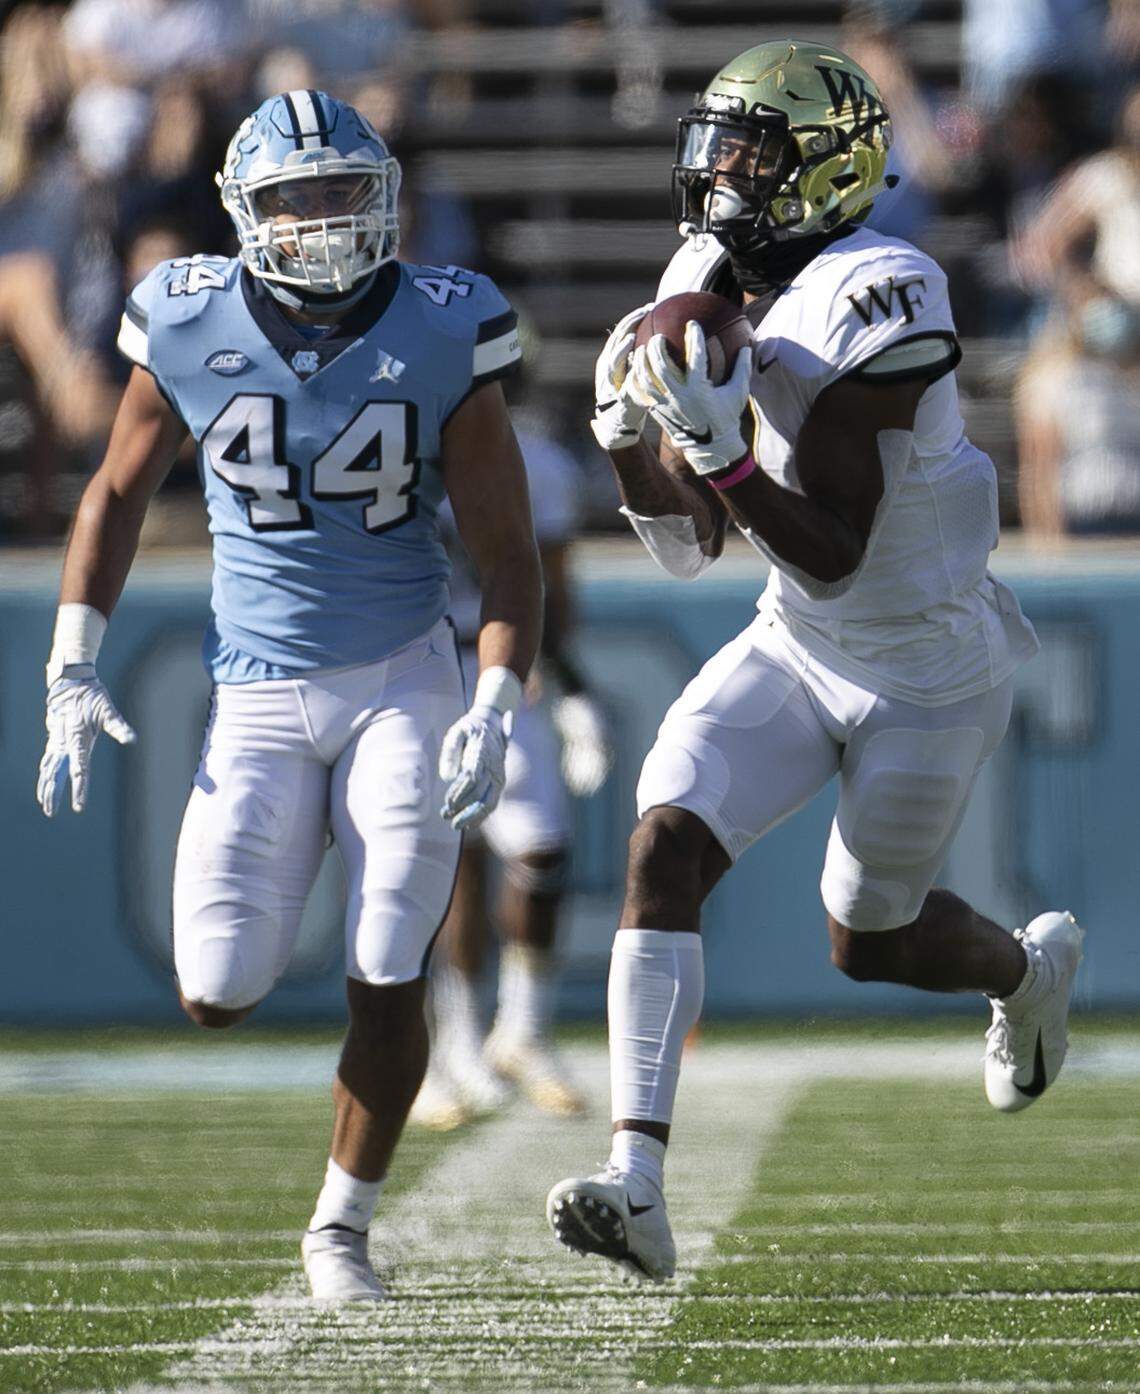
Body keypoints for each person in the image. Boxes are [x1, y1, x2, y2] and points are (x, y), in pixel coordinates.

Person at [546, 41, 1084, 1284]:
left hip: (922, 668)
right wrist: (632, 440)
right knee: (661, 839)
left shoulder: (884, 282)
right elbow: (688, 550)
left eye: (753, 152)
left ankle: (1028, 970)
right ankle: (636, 1178)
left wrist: (722, 451)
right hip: (797, 637)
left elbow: (838, 545)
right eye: (717, 145)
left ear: (828, 173)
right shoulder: (702, 273)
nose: (721, 172)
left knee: (868, 938)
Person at [36, 90, 542, 1303]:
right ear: (242, 214)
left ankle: (340, 1227)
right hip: (255, 691)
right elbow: (112, 491)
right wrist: (72, 657)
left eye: (341, 191)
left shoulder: (445, 319)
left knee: (387, 959)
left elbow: (508, 545)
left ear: (385, 194)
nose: (321, 220)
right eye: (294, 198)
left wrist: (495, 695)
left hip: (401, 681)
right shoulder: (185, 311)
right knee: (216, 990)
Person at [413, 409, 612, 1127]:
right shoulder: (394, 438)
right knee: (443, 864)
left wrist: (570, 687)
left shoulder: (538, 462)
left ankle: (522, 1028)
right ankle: (449, 1048)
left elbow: (545, 587)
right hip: (418, 668)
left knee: (540, 848)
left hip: (504, 666)